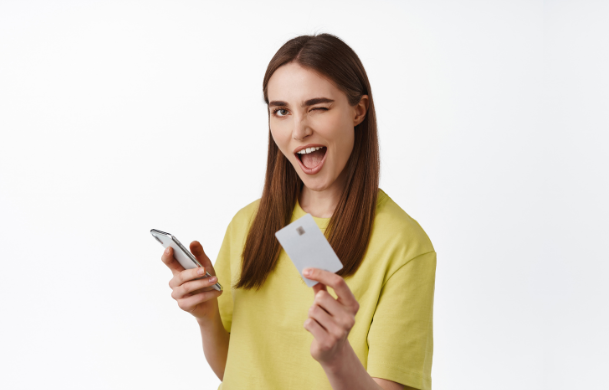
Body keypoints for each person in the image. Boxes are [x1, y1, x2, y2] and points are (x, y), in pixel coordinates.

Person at [160, 33, 437, 390]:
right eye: (281, 111)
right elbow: (237, 370)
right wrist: (206, 316)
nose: (299, 130)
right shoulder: (247, 224)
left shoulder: (403, 245)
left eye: (318, 107)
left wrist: (337, 359)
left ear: (358, 110)